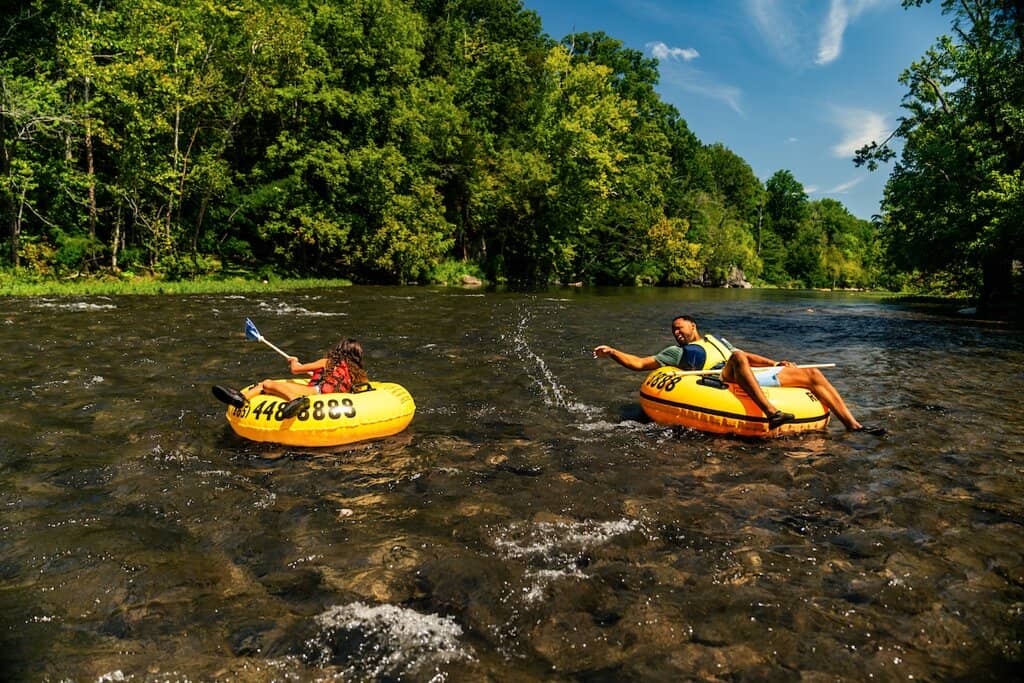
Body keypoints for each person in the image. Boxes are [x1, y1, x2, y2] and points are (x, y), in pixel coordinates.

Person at [593, 314, 884, 434]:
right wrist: (614, 353)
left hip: (748, 375)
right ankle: (771, 412)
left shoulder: (717, 340)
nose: (677, 333)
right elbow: (640, 364)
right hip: (721, 380)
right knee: (738, 357)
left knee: (812, 376)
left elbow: (748, 357)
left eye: (680, 328)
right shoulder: (674, 353)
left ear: (693, 326)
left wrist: (776, 363)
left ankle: (854, 427)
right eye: (673, 330)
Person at [213, 338, 369, 418]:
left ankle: (240, 399)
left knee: (266, 384)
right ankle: (240, 399)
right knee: (268, 386)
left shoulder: (327, 362)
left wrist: (293, 360)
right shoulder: (356, 373)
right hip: (333, 401)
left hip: (317, 393)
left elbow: (296, 370)